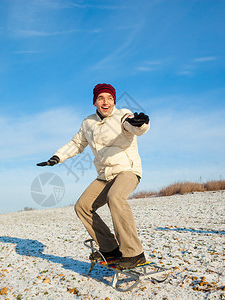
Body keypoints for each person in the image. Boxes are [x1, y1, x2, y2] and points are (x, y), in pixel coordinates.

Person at [37, 83, 150, 269]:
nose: (106, 102)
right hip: (105, 174)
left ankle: (134, 253)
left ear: (114, 101)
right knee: (83, 206)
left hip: (127, 170)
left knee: (115, 197)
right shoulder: (88, 123)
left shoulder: (122, 115)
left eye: (110, 98)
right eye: (101, 98)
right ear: (95, 102)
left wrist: (142, 123)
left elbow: (134, 125)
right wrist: (57, 157)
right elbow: (76, 143)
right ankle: (110, 248)